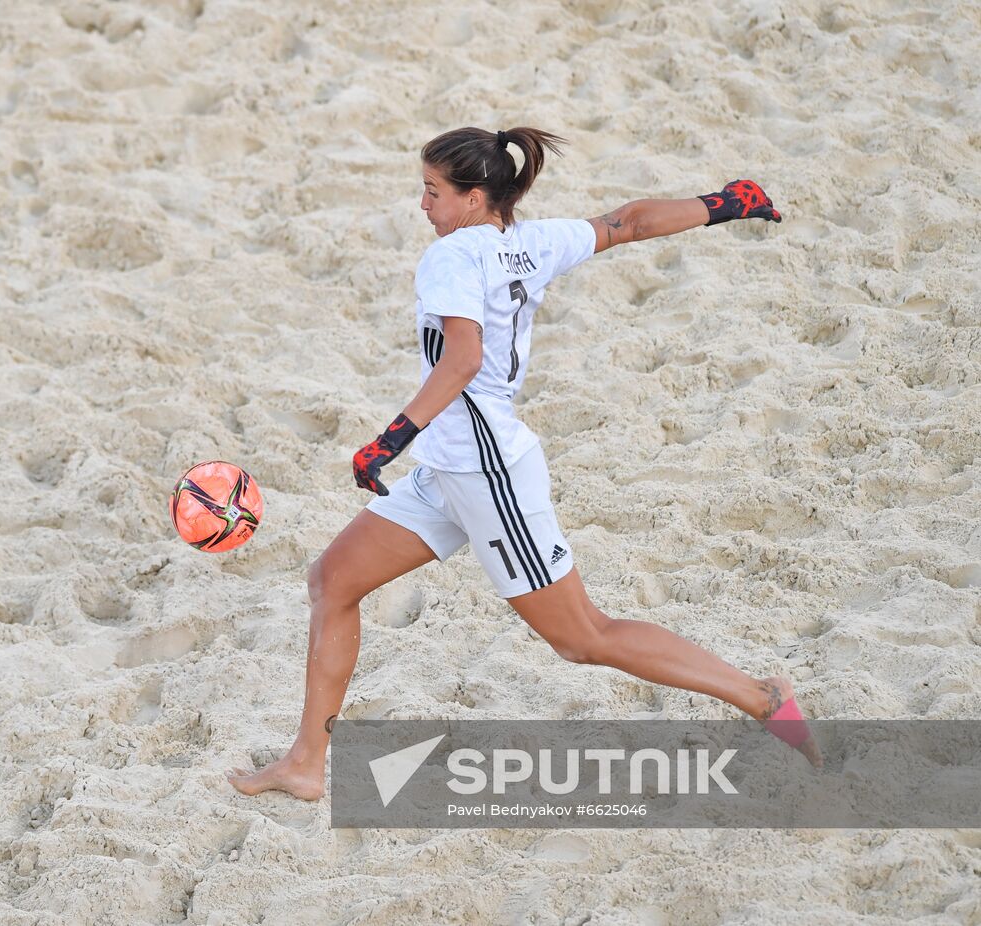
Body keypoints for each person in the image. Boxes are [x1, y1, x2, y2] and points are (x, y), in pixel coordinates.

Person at [228, 126, 819, 802]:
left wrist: (390, 439)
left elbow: (464, 359)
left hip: (489, 474)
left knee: (581, 637)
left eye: (433, 192)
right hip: (449, 470)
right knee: (333, 582)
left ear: (475, 198)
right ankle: (306, 764)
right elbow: (626, 223)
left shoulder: (451, 260)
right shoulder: (529, 242)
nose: (423, 205)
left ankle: (762, 696)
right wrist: (724, 203)